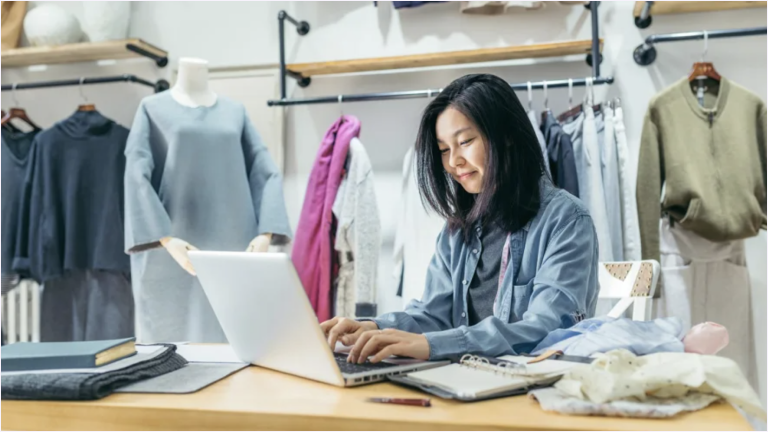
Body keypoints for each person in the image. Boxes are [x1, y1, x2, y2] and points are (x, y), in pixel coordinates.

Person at [321, 74, 599, 364]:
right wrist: (373, 327)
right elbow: (434, 315)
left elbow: (546, 329)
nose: (453, 161)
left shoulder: (567, 221)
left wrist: (431, 344)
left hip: (532, 384)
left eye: (465, 141)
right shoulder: (457, 230)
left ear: (507, 136)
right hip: (463, 380)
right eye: (444, 149)